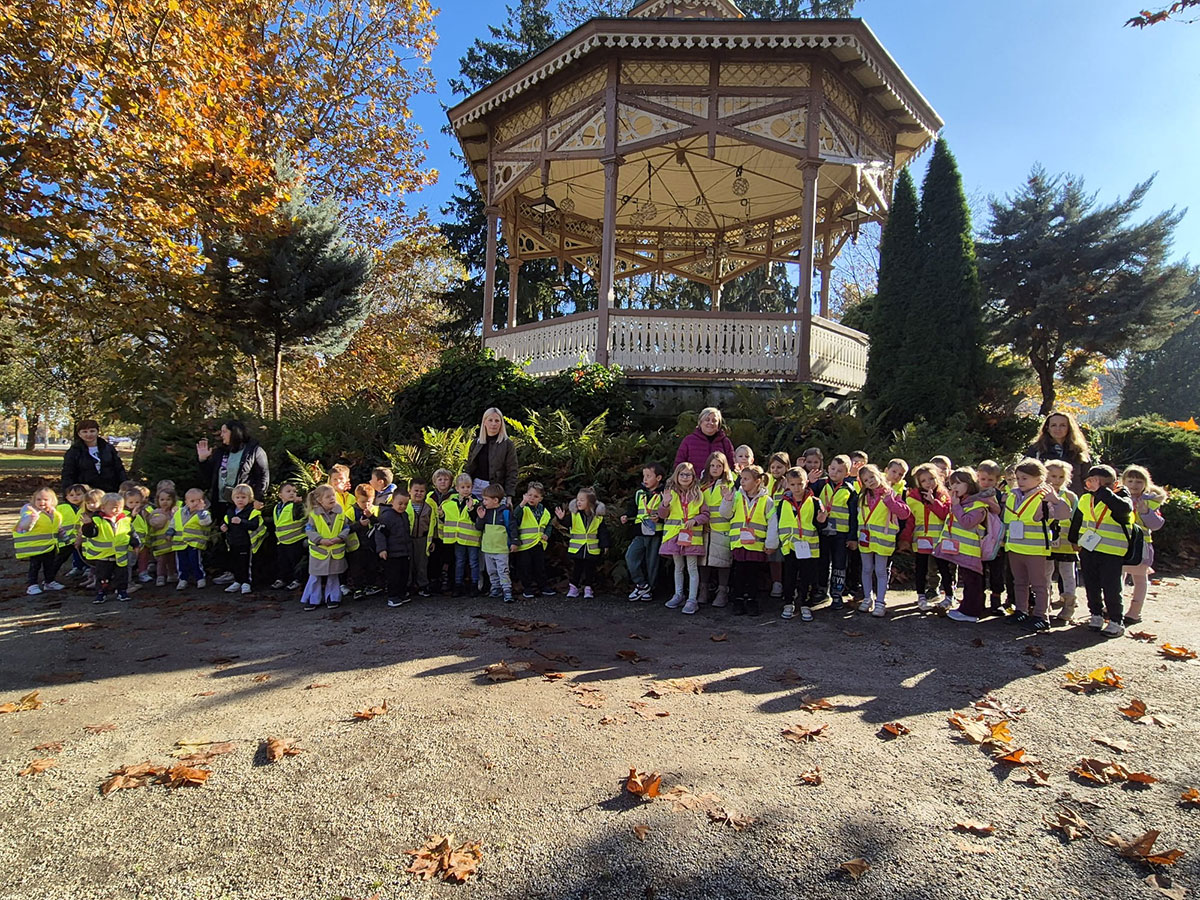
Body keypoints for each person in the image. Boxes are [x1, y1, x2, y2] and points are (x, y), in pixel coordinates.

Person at [197, 420, 269, 584]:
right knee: (227, 537)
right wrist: (203, 461)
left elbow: (263, 475)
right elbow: (210, 477)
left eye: (224, 431)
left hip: (243, 503)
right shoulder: (221, 452)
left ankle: (246, 575)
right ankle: (230, 572)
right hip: (222, 501)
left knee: (243, 539)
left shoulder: (254, 450)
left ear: (234, 432)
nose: (221, 435)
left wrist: (258, 498)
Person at [1004, 458, 1071, 632]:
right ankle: (1021, 611)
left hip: (1035, 549)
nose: (1020, 482)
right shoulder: (1013, 495)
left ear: (1039, 478)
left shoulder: (1044, 496)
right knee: (1019, 582)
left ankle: (1042, 616)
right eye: (1018, 478)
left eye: (1025, 478)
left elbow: (1065, 514)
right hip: (1014, 547)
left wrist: (1055, 500)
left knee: (1039, 585)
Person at [1069, 465, 1134, 637]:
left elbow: (1124, 510)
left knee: (1111, 587)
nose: (1098, 487)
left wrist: (1103, 492)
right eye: (1094, 482)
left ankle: (1115, 621)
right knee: (1091, 584)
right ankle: (1096, 614)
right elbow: (1078, 519)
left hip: (1112, 551)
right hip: (1089, 549)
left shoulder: (1121, 496)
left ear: (1114, 484)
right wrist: (1073, 540)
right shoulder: (1085, 499)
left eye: (1104, 484)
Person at [767, 467, 827, 622]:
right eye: (793, 484)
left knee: (808, 577)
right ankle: (788, 603)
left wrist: (821, 521)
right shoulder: (782, 503)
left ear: (806, 482)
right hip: (790, 547)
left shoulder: (815, 502)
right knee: (789, 577)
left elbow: (820, 525)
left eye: (800, 484)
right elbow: (778, 523)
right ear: (788, 484)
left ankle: (806, 604)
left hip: (809, 548)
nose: (797, 488)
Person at [935, 468, 990, 623]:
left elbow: (967, 523)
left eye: (959, 483)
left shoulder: (977, 504)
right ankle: (965, 608)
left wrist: (956, 506)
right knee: (967, 582)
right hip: (962, 550)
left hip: (972, 551)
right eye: (952, 484)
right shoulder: (962, 502)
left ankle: (971, 612)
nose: (954, 487)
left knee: (973, 583)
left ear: (970, 484)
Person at [855, 464, 910, 618]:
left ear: (880, 475)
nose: (870, 481)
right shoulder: (862, 496)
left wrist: (890, 502)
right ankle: (867, 598)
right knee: (866, 569)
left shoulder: (891, 493)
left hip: (883, 539)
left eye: (872, 477)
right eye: (866, 480)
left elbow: (905, 513)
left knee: (880, 570)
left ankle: (880, 602)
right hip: (865, 537)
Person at [658, 462, 709, 615]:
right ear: (676, 476)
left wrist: (695, 520)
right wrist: (665, 503)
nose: (685, 477)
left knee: (692, 568)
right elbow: (662, 515)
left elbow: (705, 514)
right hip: (674, 536)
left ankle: (692, 599)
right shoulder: (669, 493)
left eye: (688, 474)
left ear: (693, 477)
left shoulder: (699, 494)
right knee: (678, 567)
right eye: (682, 474)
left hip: (691, 536)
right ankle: (678, 594)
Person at [725, 464, 773, 617]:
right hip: (739, 543)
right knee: (738, 573)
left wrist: (771, 544)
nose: (742, 482)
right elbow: (725, 514)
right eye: (741, 479)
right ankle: (737, 600)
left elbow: (773, 523)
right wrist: (727, 500)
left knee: (753, 574)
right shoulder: (737, 496)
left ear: (758, 481)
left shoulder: (767, 501)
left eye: (746, 479)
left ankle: (752, 600)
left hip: (756, 545)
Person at [1121, 465, 1166, 625]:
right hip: (1118, 544)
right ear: (1123, 481)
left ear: (1146, 483)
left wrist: (1146, 512)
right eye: (1130, 480)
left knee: (1140, 578)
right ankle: (1114, 606)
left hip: (1141, 546)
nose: (1134, 485)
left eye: (1138, 481)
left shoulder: (1150, 502)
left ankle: (1134, 612)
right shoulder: (1117, 497)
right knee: (1117, 576)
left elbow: (1156, 525)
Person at [906, 463, 954, 613]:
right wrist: (905, 539)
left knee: (944, 569)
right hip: (921, 541)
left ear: (938, 479)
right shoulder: (912, 498)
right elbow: (910, 521)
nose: (929, 483)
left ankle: (949, 597)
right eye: (924, 480)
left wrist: (934, 502)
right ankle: (921, 596)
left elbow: (946, 515)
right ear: (918, 483)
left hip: (940, 541)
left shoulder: (944, 496)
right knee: (921, 569)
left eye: (932, 479)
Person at [813, 454, 857, 610]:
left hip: (841, 534)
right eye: (832, 469)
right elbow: (808, 498)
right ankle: (821, 590)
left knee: (839, 564)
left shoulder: (850, 490)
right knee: (822, 562)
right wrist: (810, 483)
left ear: (847, 474)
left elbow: (854, 516)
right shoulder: (819, 485)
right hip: (822, 531)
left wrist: (852, 537)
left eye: (839, 471)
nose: (834, 473)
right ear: (827, 468)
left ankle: (837, 594)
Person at [81, 492, 137, 604]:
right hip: (104, 556)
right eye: (114, 508)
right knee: (102, 576)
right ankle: (101, 593)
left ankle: (122, 591)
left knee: (122, 576)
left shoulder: (125, 519)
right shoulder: (97, 520)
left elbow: (130, 533)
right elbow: (90, 533)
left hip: (120, 555)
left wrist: (135, 544)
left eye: (120, 507)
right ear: (103, 508)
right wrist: (87, 525)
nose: (117, 510)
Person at [622, 462, 666, 601]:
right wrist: (626, 516)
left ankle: (650, 589)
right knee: (631, 556)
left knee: (652, 563)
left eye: (648, 476)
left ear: (658, 478)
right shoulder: (639, 493)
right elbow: (633, 509)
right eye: (644, 476)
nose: (645, 479)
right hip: (640, 532)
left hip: (655, 533)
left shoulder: (664, 493)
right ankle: (641, 584)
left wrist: (660, 519)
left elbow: (670, 513)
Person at [302, 484, 350, 610]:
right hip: (319, 552)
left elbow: (346, 527)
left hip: (335, 551)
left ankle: (333, 598)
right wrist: (320, 540)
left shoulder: (340, 512)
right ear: (319, 500)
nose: (332, 499)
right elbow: (309, 530)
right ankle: (313, 599)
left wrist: (340, 537)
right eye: (328, 497)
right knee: (315, 577)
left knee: (333, 576)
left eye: (333, 496)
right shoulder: (314, 515)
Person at [555, 487, 608, 599]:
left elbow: (603, 532)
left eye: (582, 500)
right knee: (576, 569)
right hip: (577, 548)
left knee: (590, 570)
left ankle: (588, 588)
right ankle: (573, 587)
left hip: (592, 548)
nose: (578, 502)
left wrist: (605, 545)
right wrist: (561, 518)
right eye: (578, 499)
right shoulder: (574, 515)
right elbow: (567, 523)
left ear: (590, 503)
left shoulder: (598, 517)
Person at [1043, 461, 1080, 623]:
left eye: (1061, 477)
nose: (1056, 480)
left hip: (1066, 543)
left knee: (1068, 575)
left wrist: (1076, 540)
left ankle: (1069, 605)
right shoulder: (1040, 494)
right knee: (1046, 573)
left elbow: (1077, 520)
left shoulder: (1071, 496)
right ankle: (1044, 603)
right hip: (1047, 542)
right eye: (1053, 476)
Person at [699, 451, 736, 608]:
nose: (715, 469)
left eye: (719, 466)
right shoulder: (701, 485)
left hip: (722, 529)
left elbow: (732, 509)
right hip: (704, 529)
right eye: (712, 465)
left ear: (724, 467)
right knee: (703, 562)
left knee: (723, 563)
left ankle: (722, 592)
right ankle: (703, 589)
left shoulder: (730, 485)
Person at [15, 487, 66, 595]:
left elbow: (57, 528)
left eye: (45, 500)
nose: (42, 502)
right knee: (35, 566)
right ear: (33, 500)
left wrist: (64, 537)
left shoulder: (56, 514)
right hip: (36, 547)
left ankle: (49, 582)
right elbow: (24, 526)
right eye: (38, 499)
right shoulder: (30, 513)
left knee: (50, 565)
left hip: (50, 546)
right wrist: (32, 518)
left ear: (53, 501)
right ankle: (32, 585)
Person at [974, 460, 1008, 616]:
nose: (986, 483)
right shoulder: (973, 493)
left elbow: (1001, 514)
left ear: (997, 480)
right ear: (977, 477)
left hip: (996, 540)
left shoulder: (1000, 495)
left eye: (990, 480)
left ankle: (996, 601)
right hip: (977, 540)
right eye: (983, 479)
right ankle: (978, 601)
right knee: (978, 571)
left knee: (997, 572)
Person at [1029, 411, 1092, 495]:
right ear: (1047, 428)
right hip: (1043, 498)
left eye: (1062, 425)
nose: (1058, 429)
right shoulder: (1037, 449)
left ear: (1069, 428)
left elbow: (1087, 478)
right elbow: (1026, 474)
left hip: (1074, 500)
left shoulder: (1078, 450)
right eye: (1053, 425)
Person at [511, 482, 554, 599]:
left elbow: (549, 524)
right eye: (530, 495)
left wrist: (547, 534)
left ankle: (543, 586)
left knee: (540, 567)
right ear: (525, 495)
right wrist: (522, 503)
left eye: (535, 496)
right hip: (524, 546)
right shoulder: (523, 508)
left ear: (540, 498)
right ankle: (527, 588)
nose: (532, 498)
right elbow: (515, 516)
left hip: (539, 544)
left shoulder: (544, 511)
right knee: (525, 568)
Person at [60, 420, 127, 495]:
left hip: (110, 490)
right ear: (79, 434)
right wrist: (68, 492)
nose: (89, 434)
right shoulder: (74, 451)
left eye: (92, 431)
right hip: (86, 492)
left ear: (97, 432)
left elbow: (119, 469)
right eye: (85, 432)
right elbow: (68, 474)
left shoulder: (108, 448)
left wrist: (124, 487)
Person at [466, 408, 519, 500]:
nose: (493, 424)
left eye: (497, 421)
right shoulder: (476, 443)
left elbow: (512, 471)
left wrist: (509, 495)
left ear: (501, 423)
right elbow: (469, 467)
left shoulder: (507, 444)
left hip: (496, 489)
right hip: (475, 487)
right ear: (484, 422)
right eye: (490, 420)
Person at [441, 473, 481, 595]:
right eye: (463, 487)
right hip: (457, 539)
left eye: (468, 487)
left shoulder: (475, 502)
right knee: (459, 561)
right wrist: (442, 515)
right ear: (457, 488)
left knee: (473, 562)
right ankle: (458, 585)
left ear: (472, 487)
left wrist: (471, 509)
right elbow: (447, 520)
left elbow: (477, 520)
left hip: (472, 539)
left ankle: (474, 585)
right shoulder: (449, 503)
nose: (466, 490)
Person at [475, 483, 515, 603]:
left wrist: (514, 542)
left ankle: (507, 590)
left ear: (496, 500)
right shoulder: (485, 512)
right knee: (491, 571)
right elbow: (478, 527)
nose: (484, 502)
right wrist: (481, 518)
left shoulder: (505, 512)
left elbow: (513, 528)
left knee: (503, 570)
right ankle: (496, 587)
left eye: (486, 499)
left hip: (501, 549)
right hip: (488, 548)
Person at [375, 488, 413, 608]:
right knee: (394, 576)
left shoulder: (405, 515)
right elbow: (380, 533)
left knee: (404, 574)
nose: (403, 506)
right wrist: (382, 549)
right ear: (392, 501)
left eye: (405, 504)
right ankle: (392, 596)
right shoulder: (387, 516)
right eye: (400, 504)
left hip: (404, 551)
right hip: (392, 553)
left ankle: (401, 593)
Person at [169, 488, 213, 590]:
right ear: (186, 502)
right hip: (180, 543)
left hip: (194, 543)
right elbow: (173, 523)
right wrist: (169, 533)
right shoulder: (179, 512)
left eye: (198, 501)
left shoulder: (204, 513)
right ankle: (183, 579)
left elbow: (206, 522)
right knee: (181, 562)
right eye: (192, 501)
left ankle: (200, 578)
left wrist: (201, 511)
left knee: (195, 561)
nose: (195, 504)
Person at [674, 407, 736, 473]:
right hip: (696, 482)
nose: (710, 423)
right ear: (700, 423)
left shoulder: (725, 442)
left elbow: (732, 465)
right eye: (707, 420)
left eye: (714, 421)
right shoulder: (689, 441)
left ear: (718, 425)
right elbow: (679, 465)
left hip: (719, 482)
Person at [269, 483, 306, 591]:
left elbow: (300, 514)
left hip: (296, 540)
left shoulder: (295, 506)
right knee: (283, 562)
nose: (292, 493)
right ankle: (283, 579)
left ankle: (297, 580)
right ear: (280, 495)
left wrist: (299, 504)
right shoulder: (277, 507)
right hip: (282, 541)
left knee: (296, 562)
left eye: (294, 491)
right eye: (288, 491)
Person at [345, 484, 380, 600]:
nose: (366, 505)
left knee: (372, 566)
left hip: (371, 545)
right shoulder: (350, 512)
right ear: (356, 500)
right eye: (363, 502)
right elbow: (346, 529)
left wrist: (372, 517)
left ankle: (371, 586)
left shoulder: (375, 510)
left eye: (369, 502)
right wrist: (359, 525)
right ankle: (358, 589)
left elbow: (380, 525)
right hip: (356, 547)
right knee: (356, 568)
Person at [427, 469, 455, 594]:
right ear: (434, 482)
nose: (443, 482)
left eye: (446, 479)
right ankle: (434, 580)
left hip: (449, 534)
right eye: (440, 480)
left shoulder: (454, 497)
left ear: (450, 482)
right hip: (434, 534)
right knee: (434, 558)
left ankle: (447, 580)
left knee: (448, 558)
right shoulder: (429, 496)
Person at [407, 478, 434, 597]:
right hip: (408, 539)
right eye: (416, 490)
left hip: (422, 539)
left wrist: (432, 540)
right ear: (409, 491)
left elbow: (432, 524)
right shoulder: (405, 505)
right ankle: (408, 585)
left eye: (422, 491)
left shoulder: (428, 508)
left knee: (422, 563)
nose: (418, 493)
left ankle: (423, 585)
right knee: (408, 563)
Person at [148, 488, 178, 587]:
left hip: (172, 543)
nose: (165, 502)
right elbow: (153, 523)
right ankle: (160, 576)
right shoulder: (156, 512)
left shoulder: (174, 512)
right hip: (160, 543)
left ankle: (171, 574)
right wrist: (161, 518)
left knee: (172, 559)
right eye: (162, 500)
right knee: (161, 560)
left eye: (168, 499)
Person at [57, 483, 87, 579]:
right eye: (71, 495)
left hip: (83, 536)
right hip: (67, 537)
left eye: (78, 495)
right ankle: (77, 567)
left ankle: (86, 568)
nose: (75, 497)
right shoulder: (61, 508)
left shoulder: (87, 507)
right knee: (69, 554)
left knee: (84, 552)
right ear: (66, 497)